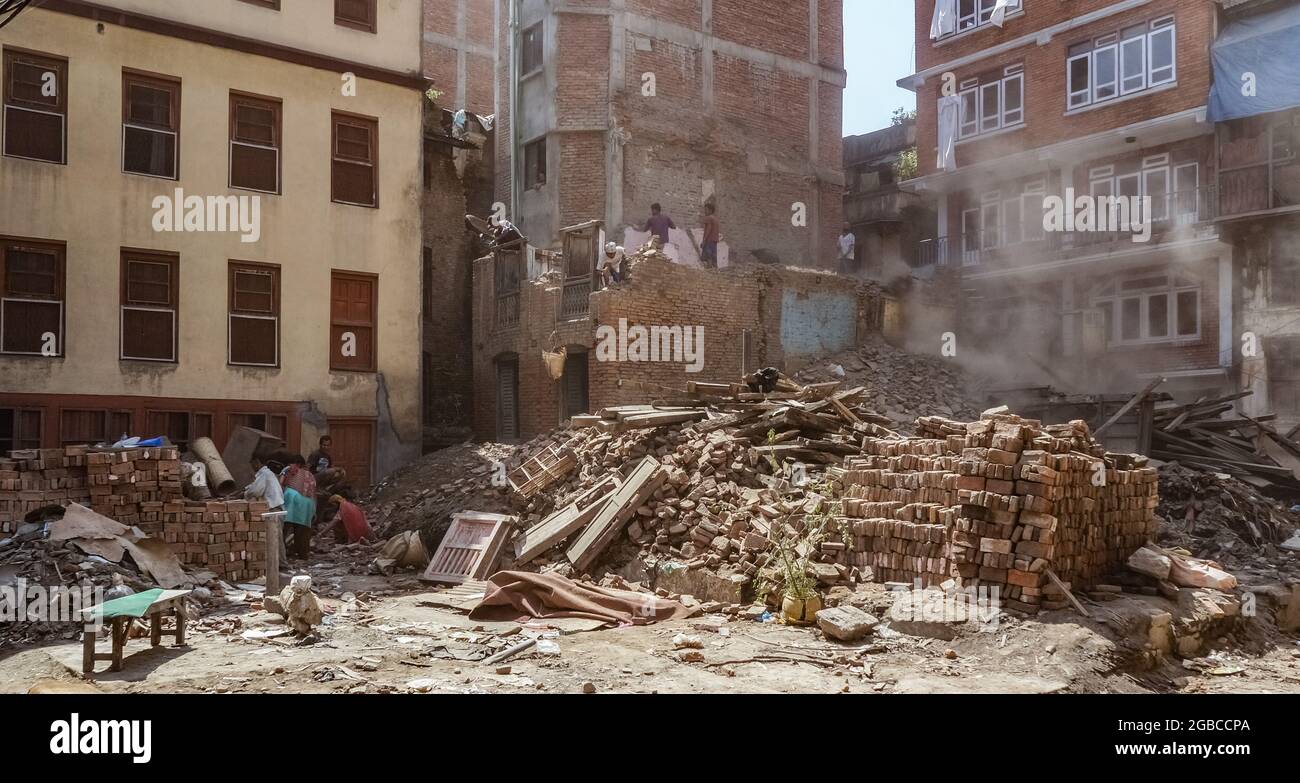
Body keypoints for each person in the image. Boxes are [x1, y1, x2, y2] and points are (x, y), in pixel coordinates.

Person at [244, 456, 286, 563]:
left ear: (257, 462)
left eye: (252, 464)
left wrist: (245, 494)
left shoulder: (265, 474)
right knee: (274, 538)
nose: (252, 467)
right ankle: (275, 563)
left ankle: (281, 564)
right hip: (275, 509)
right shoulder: (267, 474)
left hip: (274, 510)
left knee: (275, 539)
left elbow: (256, 491)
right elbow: (253, 487)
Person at [279, 456, 317, 560]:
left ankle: (280, 554)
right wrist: (314, 512)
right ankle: (302, 555)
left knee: (283, 529)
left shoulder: (289, 469)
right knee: (303, 532)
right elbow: (314, 493)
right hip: (308, 503)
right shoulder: (310, 475)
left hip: (292, 499)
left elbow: (280, 485)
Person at [701, 203, 720, 268]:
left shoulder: (708, 218)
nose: (705, 211)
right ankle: (716, 268)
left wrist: (704, 240)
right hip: (715, 239)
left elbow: (708, 229)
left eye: (706, 210)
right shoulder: (716, 219)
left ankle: (709, 268)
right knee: (714, 255)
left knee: (708, 254)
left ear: (710, 210)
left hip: (709, 239)